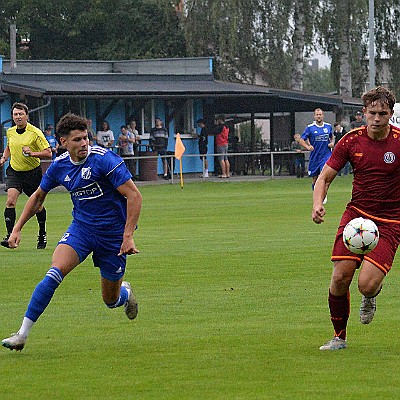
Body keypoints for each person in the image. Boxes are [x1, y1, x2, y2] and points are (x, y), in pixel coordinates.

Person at [1, 113, 142, 352]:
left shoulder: (104, 160)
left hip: (113, 236)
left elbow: (134, 195)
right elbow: (37, 197)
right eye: (77, 140)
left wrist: (127, 235)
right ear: (63, 142)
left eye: (85, 138)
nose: (84, 143)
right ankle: (22, 334)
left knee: (110, 300)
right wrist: (17, 229)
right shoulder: (60, 166)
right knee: (54, 273)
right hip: (82, 230)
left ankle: (125, 293)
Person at [312, 86, 400, 351]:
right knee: (340, 278)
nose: (376, 118)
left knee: (366, 285)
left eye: (382, 113)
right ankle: (339, 337)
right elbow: (324, 178)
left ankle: (370, 296)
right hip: (356, 218)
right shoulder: (351, 141)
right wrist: (318, 204)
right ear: (363, 113)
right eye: (371, 113)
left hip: (390, 222)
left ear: (390, 114)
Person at [0, 102, 52, 249]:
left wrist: (33, 153)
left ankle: (42, 233)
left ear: (27, 116)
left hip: (32, 173)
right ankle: (11, 236)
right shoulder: (10, 132)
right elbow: (9, 146)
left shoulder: (35, 132)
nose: (18, 117)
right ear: (12, 117)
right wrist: (4, 158)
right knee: (10, 201)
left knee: (37, 206)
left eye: (21, 114)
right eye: (15, 114)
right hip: (15, 171)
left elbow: (48, 152)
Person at [298, 108, 334, 201]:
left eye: (320, 114)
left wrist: (332, 143)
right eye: (317, 114)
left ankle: (324, 194)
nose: (319, 116)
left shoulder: (328, 126)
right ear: (314, 116)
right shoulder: (310, 128)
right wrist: (307, 147)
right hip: (315, 157)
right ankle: (317, 196)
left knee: (323, 174)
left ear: (323, 115)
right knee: (315, 179)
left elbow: (332, 137)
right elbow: (301, 140)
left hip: (326, 155)